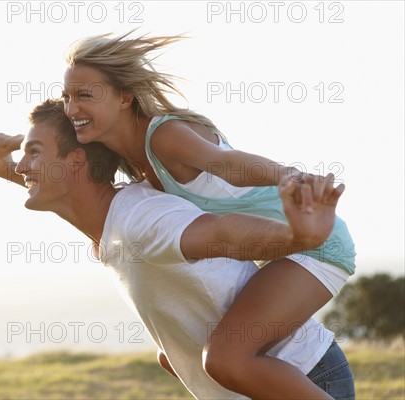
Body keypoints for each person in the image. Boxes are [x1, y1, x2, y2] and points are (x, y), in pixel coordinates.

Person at [0, 99, 355, 399]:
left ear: (76, 162)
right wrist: (8, 163)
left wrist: (299, 239)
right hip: (261, 383)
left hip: (304, 377)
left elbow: (223, 233)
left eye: (33, 153)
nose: (21, 167)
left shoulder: (141, 217)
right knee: (169, 357)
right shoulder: (110, 223)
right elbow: (68, 187)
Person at [60, 31, 357, 399]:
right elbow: (59, 168)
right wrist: (11, 155)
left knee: (224, 359)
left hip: (315, 242)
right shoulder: (130, 163)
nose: (71, 109)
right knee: (174, 355)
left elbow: (227, 163)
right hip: (283, 247)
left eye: (84, 95)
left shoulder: (162, 136)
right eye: (66, 97)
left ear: (125, 97)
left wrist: (291, 177)